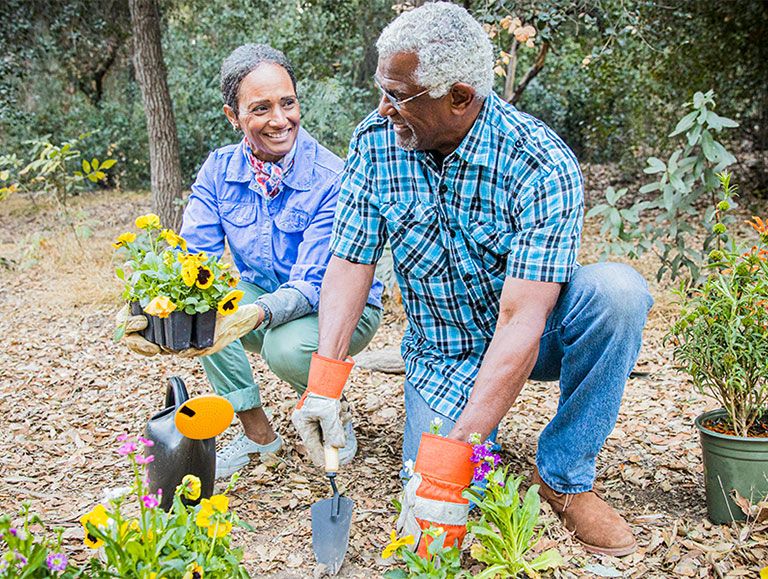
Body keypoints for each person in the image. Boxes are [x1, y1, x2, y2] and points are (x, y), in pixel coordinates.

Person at [290, 2, 653, 558]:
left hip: (535, 338)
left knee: (618, 293)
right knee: (436, 536)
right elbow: (350, 259)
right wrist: (324, 383)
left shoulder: (539, 162)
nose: (384, 109)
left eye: (398, 96)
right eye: (381, 91)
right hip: (444, 352)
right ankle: (475, 448)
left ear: (459, 96)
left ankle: (564, 476)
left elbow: (522, 319)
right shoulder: (375, 141)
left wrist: (454, 457)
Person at [121, 44, 383, 479]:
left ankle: (327, 403)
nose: (280, 120)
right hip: (266, 299)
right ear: (233, 116)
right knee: (198, 310)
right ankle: (259, 437)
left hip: (340, 306)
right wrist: (154, 307)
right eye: (261, 108)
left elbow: (315, 282)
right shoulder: (219, 170)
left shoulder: (332, 177)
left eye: (288, 103)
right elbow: (192, 258)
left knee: (284, 347)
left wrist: (254, 313)